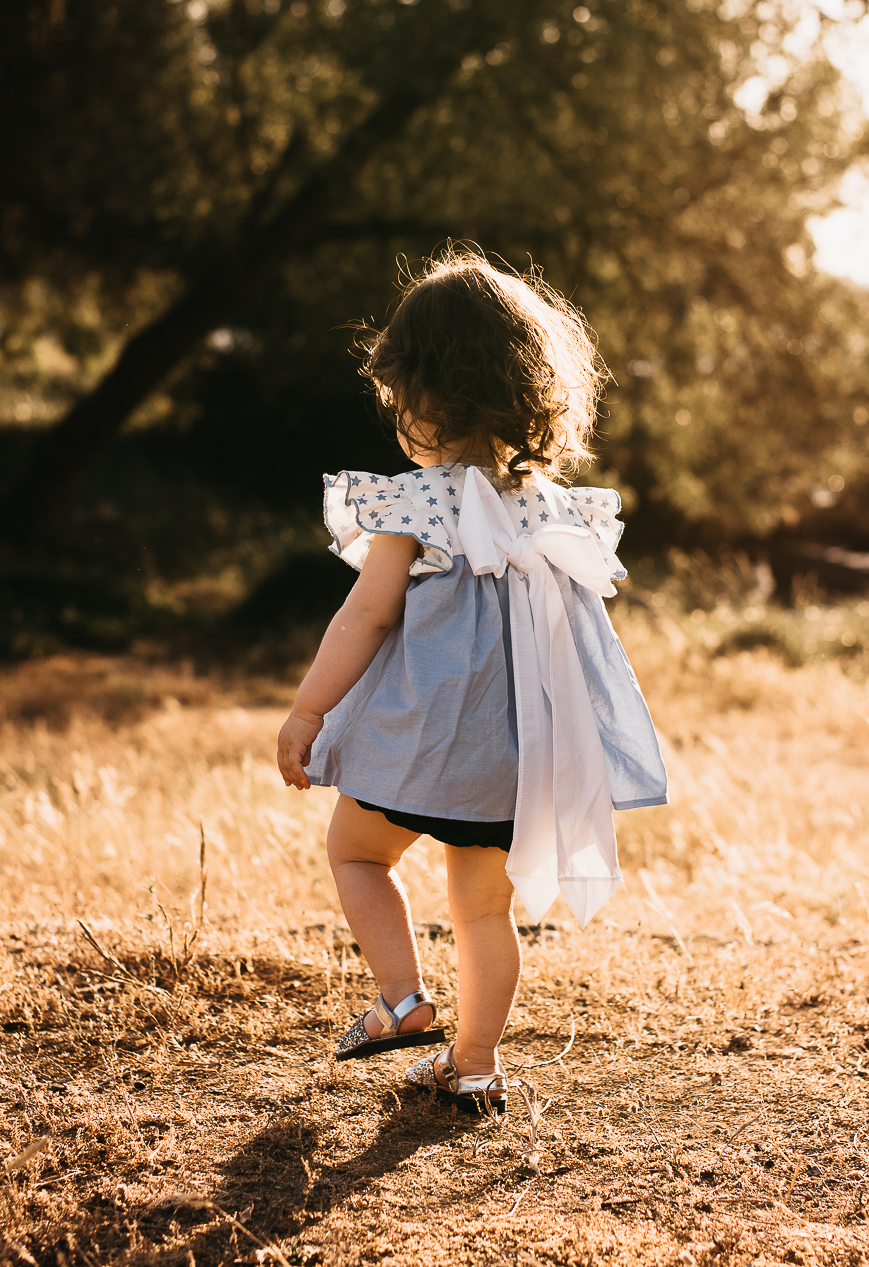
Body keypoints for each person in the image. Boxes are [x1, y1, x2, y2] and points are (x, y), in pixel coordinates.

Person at [277, 252, 667, 1115]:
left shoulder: (416, 504)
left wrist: (310, 708)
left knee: (355, 852)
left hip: (419, 746)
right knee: (484, 911)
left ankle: (402, 999)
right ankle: (477, 1063)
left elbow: (365, 617)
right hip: (514, 759)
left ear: (419, 394)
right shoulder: (558, 509)